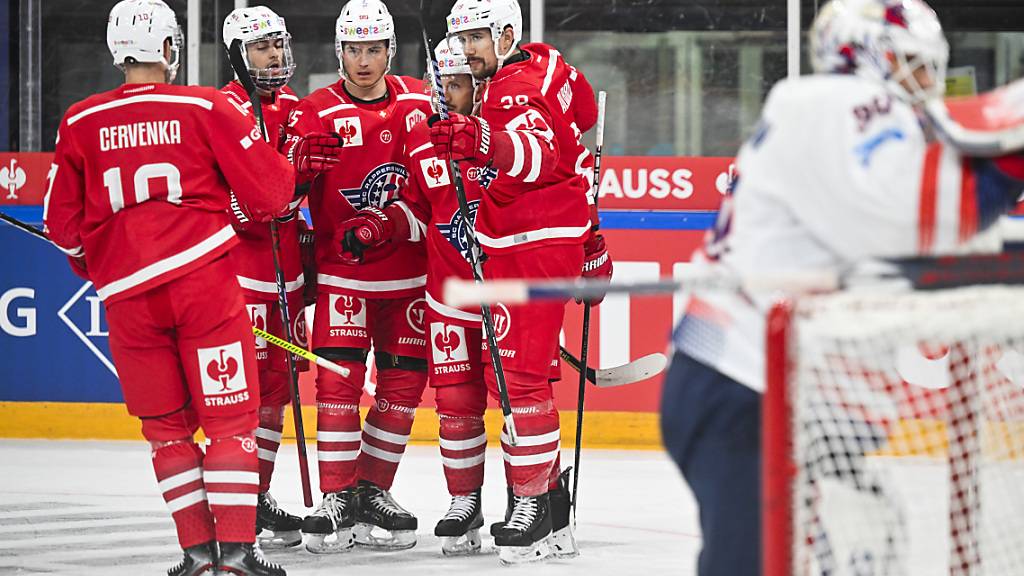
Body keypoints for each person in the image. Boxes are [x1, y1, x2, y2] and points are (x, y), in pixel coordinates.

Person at [661, 1, 1024, 575]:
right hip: (739, 386)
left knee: (847, 548)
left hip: (761, 391)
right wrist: (1012, 146)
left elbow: (922, 233)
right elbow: (915, 211)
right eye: (915, 66)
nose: (929, 85)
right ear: (869, 54)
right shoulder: (832, 105)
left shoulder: (841, 116)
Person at [40, 0, 337, 573]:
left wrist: (94, 261)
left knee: (166, 428)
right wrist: (289, 164)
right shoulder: (202, 105)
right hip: (203, 284)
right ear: (172, 50)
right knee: (230, 418)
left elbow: (61, 226)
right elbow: (273, 196)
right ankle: (238, 553)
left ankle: (197, 553)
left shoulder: (79, 120)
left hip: (127, 297)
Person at [428, 0, 613, 564]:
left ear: (506, 34)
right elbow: (578, 118)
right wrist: (588, 239)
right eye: (459, 40)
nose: (467, 50)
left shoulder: (509, 88)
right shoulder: (548, 64)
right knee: (514, 378)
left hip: (528, 246)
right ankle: (551, 510)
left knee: (519, 382)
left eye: (477, 38)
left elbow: (535, 154)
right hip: (536, 240)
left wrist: (485, 141)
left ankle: (531, 509)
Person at [281, 0, 433, 553]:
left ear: (390, 50)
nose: (363, 61)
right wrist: (296, 173)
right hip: (344, 278)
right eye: (353, 49)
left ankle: (372, 487)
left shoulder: (421, 100)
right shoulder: (313, 112)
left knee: (403, 389)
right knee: (337, 388)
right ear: (338, 51)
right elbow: (278, 197)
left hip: (410, 281)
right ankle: (335, 494)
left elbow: (440, 189)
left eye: (373, 49)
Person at [220, 5, 307, 550]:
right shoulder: (220, 110)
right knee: (244, 395)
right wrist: (267, 199)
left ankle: (258, 493)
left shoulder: (295, 107)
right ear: (236, 56)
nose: (274, 55)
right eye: (261, 47)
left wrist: (305, 178)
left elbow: (298, 196)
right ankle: (234, 499)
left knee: (278, 388)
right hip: (243, 275)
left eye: (278, 43)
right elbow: (230, 203)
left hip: (290, 274)